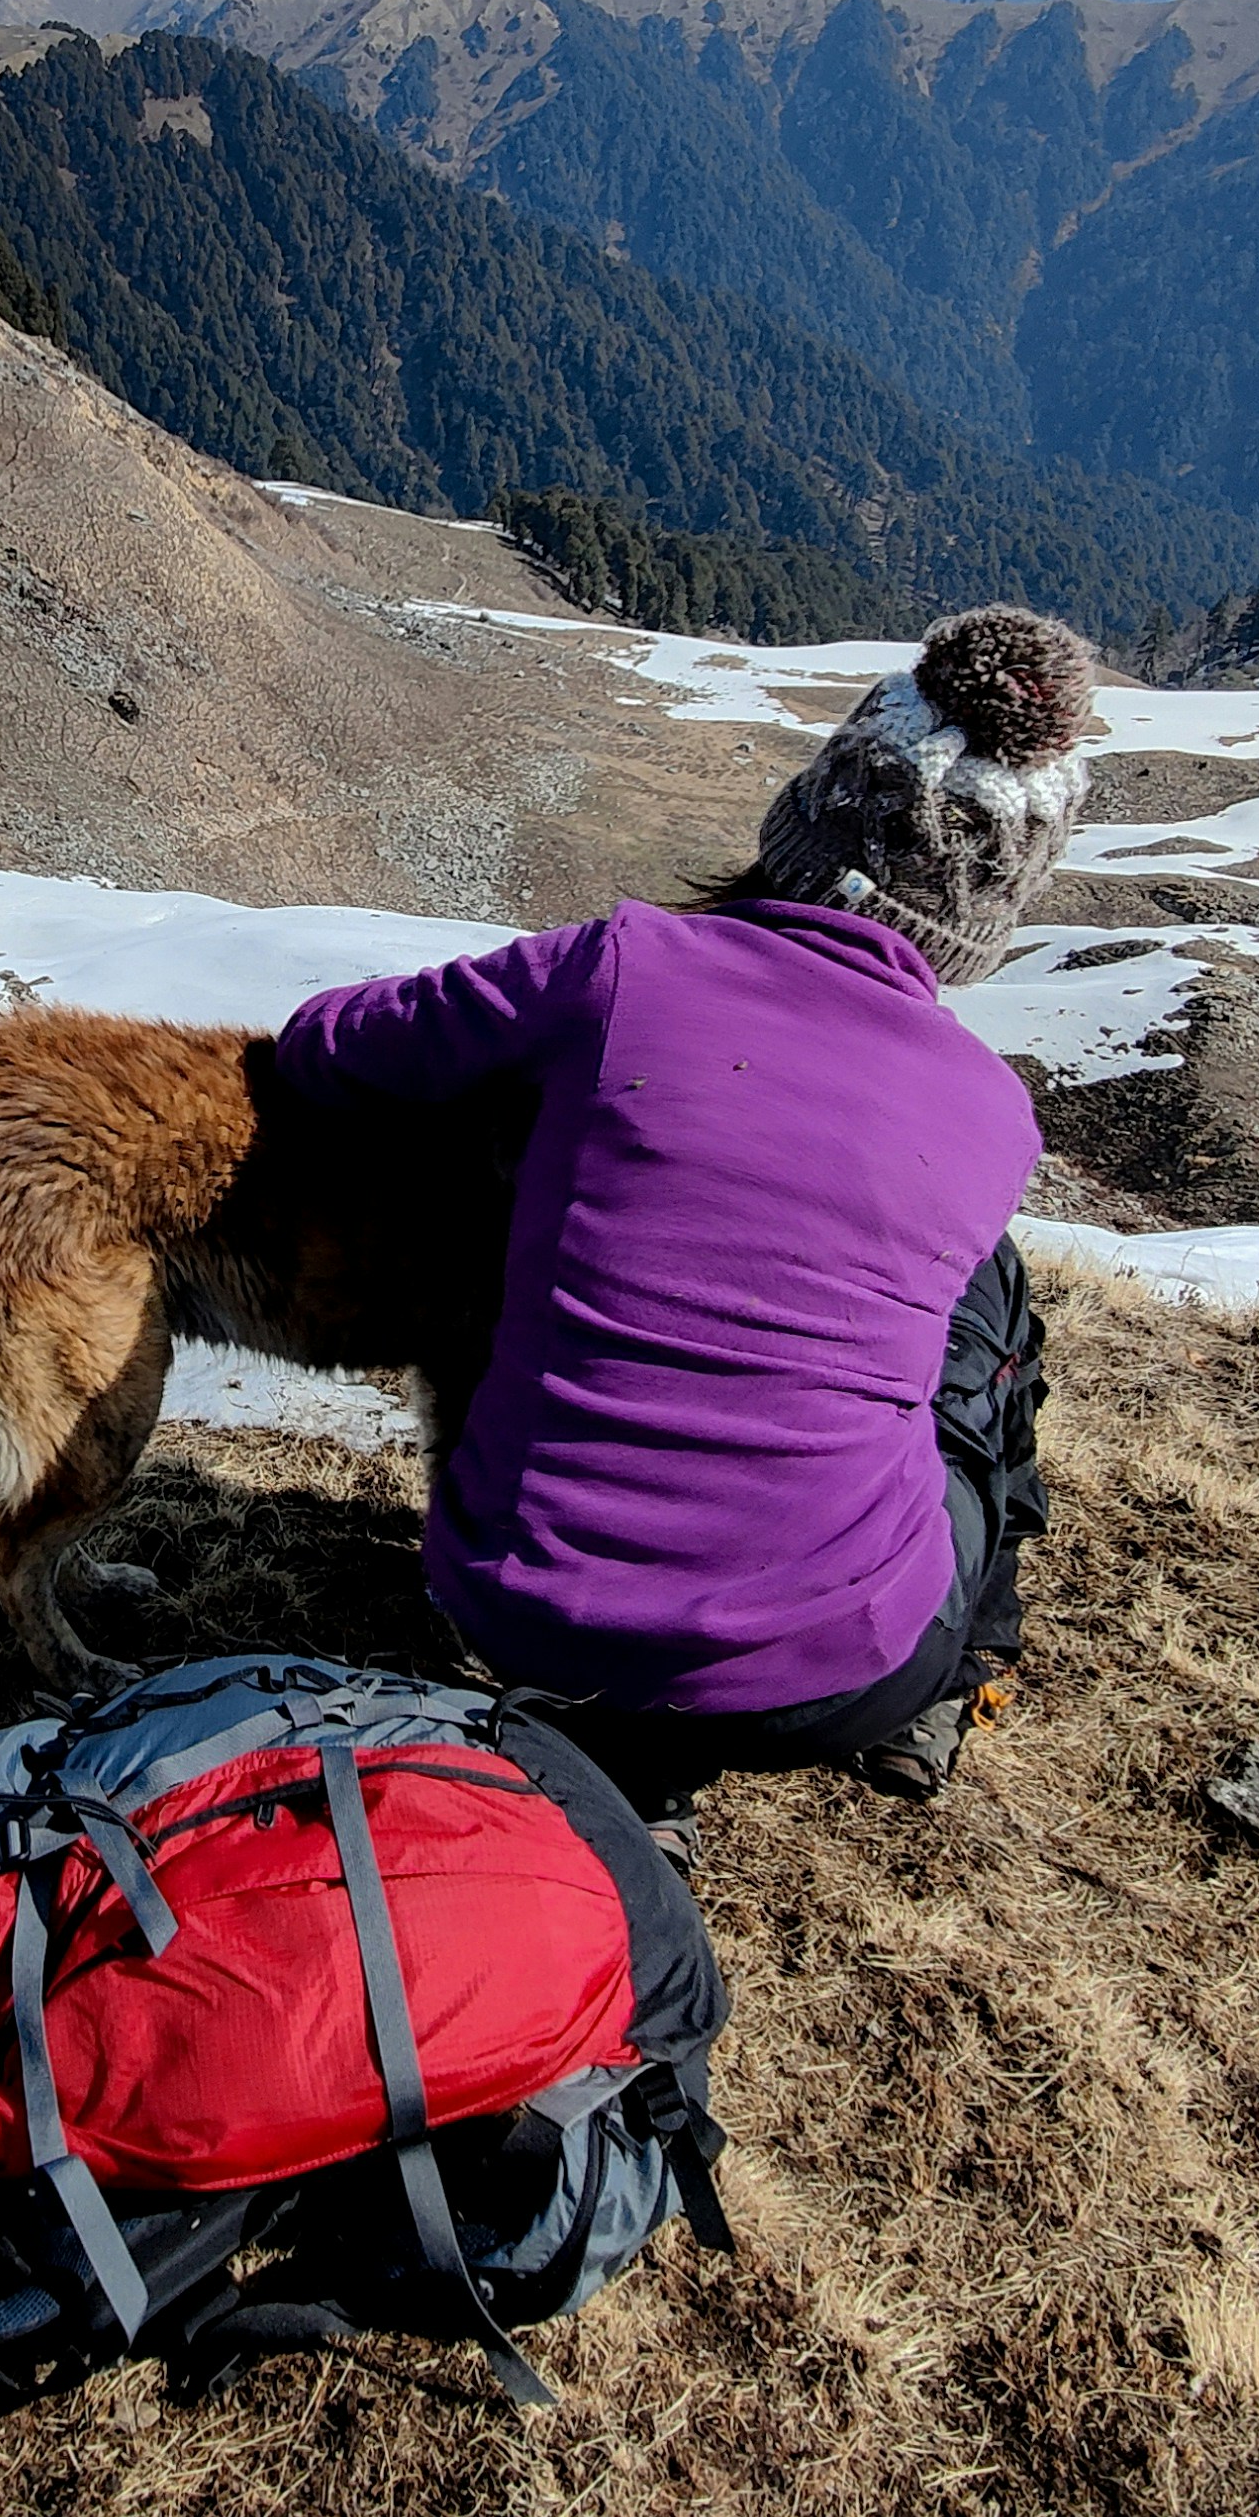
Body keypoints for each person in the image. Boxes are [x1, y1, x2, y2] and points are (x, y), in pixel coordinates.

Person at [271, 605, 1090, 1856]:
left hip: (520, 1616)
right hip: (837, 1677)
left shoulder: (617, 969)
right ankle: (961, 1671)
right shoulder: (992, 1114)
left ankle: (629, 1767)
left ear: (807, 818)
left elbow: (330, 1044)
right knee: (985, 1300)